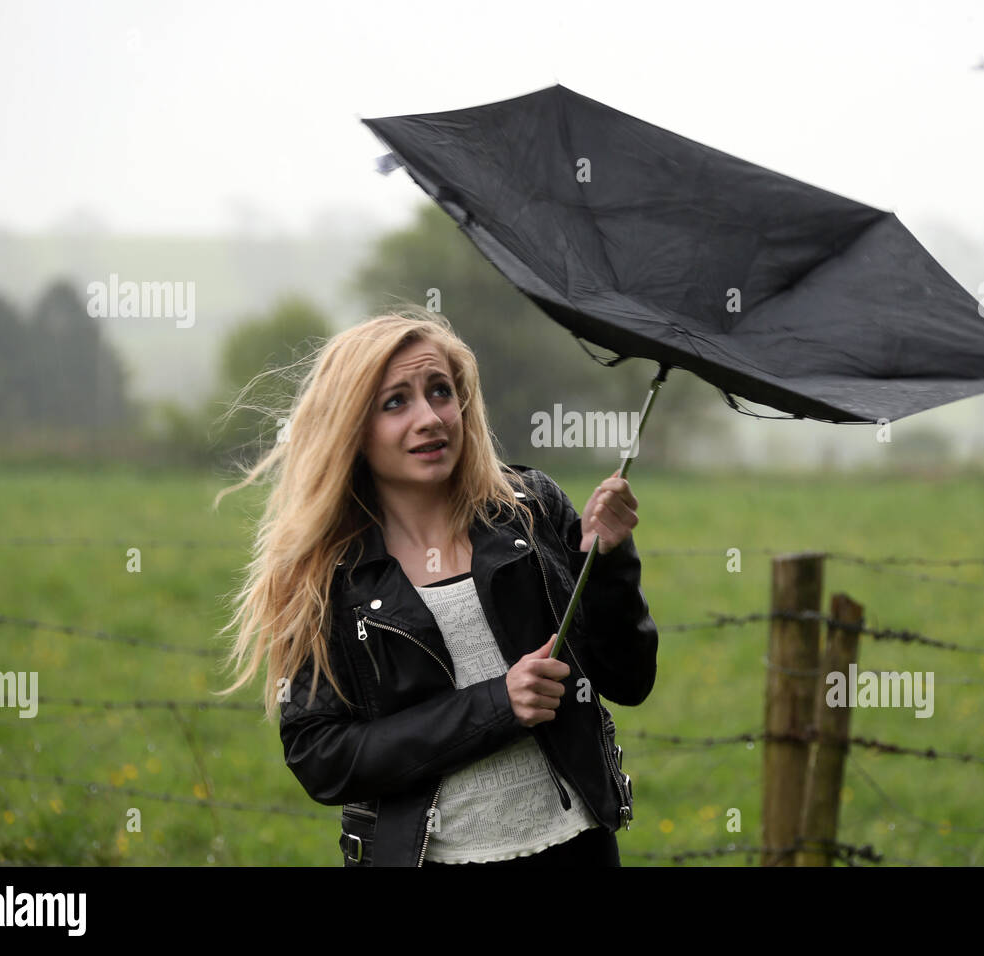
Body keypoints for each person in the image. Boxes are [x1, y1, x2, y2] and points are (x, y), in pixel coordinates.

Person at [214, 307, 659, 866]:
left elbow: (629, 677)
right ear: (353, 427)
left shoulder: (531, 511)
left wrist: (611, 559)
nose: (429, 418)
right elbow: (322, 757)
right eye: (395, 402)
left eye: (441, 392)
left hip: (577, 848)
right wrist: (499, 704)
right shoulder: (327, 576)